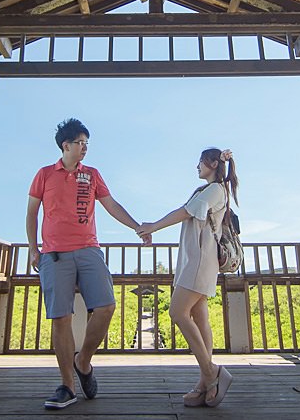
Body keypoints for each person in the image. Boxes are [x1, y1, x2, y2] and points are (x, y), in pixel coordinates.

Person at [26, 118, 150, 410]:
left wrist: (137, 227)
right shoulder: (44, 174)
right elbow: (31, 214)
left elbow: (112, 205)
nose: (84, 148)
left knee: (106, 306)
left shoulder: (92, 175)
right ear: (65, 145)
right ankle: (67, 386)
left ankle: (83, 361)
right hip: (54, 253)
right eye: (79, 143)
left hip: (89, 249)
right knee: (61, 317)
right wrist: (34, 250)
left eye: (86, 144)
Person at [136, 147, 238, 408]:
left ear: (214, 163)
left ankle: (211, 372)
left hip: (200, 261)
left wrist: (153, 227)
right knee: (199, 315)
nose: (197, 167)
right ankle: (205, 383)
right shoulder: (209, 191)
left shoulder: (215, 190)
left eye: (201, 162)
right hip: (196, 260)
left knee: (178, 312)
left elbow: (184, 212)